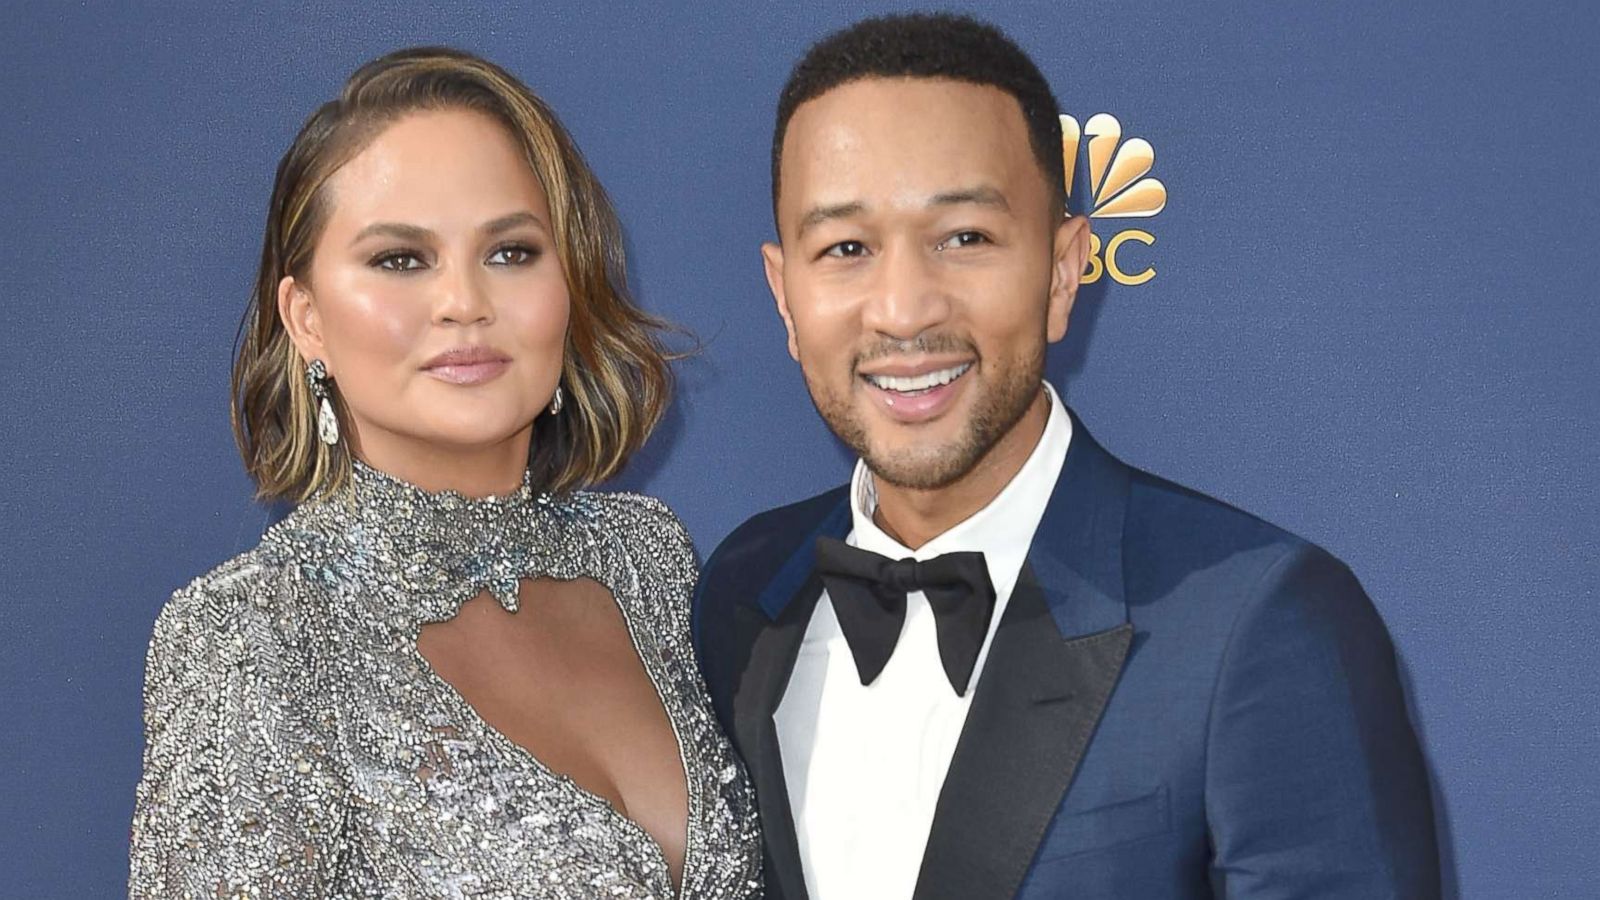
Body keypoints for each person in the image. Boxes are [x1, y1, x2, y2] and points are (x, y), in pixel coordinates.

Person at [694, 13, 1439, 899]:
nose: (902, 309)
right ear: (785, 296)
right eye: (846, 249)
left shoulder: (1256, 625)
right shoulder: (742, 594)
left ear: (1061, 270)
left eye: (963, 237)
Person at [129, 48, 760, 898]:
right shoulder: (251, 635)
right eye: (400, 259)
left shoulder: (647, 558)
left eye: (510, 252)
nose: (465, 301)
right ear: (306, 319)